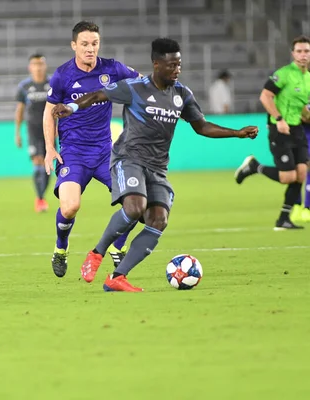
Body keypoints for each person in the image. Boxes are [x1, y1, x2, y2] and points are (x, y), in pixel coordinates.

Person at [52, 38, 258, 292]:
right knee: (136, 206)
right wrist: (71, 107)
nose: (177, 70)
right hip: (129, 158)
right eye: (172, 65)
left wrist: (236, 133)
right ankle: (97, 253)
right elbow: (97, 94)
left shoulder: (182, 94)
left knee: (158, 220)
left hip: (158, 167)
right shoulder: (135, 87)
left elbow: (202, 126)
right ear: (156, 64)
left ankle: (117, 277)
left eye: (179, 64)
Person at [43, 20, 141, 280]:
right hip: (73, 153)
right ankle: (60, 248)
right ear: (74, 45)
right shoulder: (63, 75)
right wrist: (50, 148)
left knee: (138, 203)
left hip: (105, 153)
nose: (90, 49)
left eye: (94, 43)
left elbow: (143, 84)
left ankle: (117, 248)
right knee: (70, 207)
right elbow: (48, 112)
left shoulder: (112, 68)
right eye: (84, 44)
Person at [234, 35, 310, 230]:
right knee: (288, 177)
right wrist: (279, 119)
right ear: (293, 54)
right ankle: (254, 166)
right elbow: (265, 96)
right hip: (279, 128)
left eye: (306, 51)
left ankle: (283, 220)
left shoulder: (308, 78)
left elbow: (303, 108)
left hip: (297, 129)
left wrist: (306, 116)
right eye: (299, 51)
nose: (303, 55)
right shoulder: (284, 74)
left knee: (301, 173)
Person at [15, 54, 53, 212]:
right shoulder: (24, 86)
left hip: (49, 129)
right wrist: (17, 132)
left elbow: (59, 106)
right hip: (32, 129)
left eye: (41, 64)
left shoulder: (53, 84)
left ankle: (42, 196)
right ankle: (40, 199)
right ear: (30, 67)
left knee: (47, 164)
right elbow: (20, 110)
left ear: (45, 66)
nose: (38, 67)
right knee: (37, 161)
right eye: (35, 64)